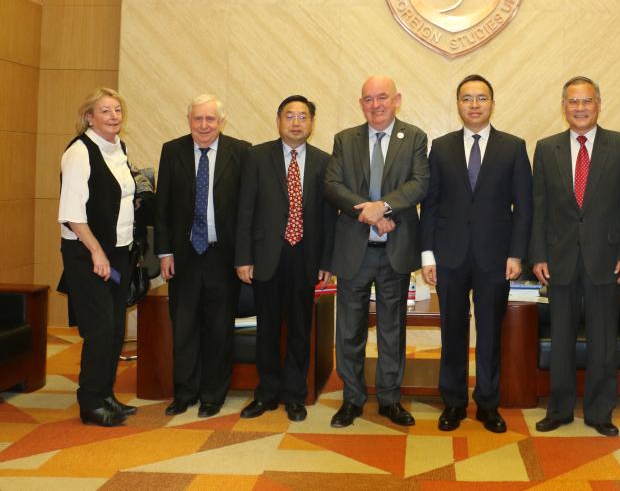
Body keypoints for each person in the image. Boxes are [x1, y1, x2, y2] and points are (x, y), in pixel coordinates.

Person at [528, 76, 620, 437]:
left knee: (603, 340)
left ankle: (599, 411)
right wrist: (538, 255)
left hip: (607, 260)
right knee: (561, 339)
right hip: (559, 260)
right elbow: (538, 207)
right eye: (573, 102)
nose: (580, 108)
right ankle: (559, 410)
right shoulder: (546, 148)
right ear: (564, 106)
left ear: (598, 104)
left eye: (587, 101)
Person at [420, 74, 532, 433]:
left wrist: (517, 254)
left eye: (481, 98)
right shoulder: (441, 147)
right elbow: (430, 205)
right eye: (467, 98)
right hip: (449, 256)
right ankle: (453, 403)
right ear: (458, 104)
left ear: (492, 104)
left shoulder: (513, 147)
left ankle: (487, 404)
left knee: (490, 334)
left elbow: (524, 207)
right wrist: (427, 256)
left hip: (495, 258)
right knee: (452, 332)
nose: (474, 104)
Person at [324, 75, 429, 428]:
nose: (376, 105)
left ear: (397, 99)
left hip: (394, 250)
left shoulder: (414, 137)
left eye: (382, 97)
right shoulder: (345, 139)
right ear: (361, 104)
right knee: (349, 330)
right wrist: (367, 213)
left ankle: (389, 400)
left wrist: (383, 207)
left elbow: (419, 184)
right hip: (354, 249)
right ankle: (351, 399)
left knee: (391, 330)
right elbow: (332, 185)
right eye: (368, 99)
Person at [235, 95, 335, 421]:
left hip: (306, 258)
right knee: (267, 329)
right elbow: (245, 209)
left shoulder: (324, 161)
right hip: (266, 257)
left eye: (303, 116)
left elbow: (329, 217)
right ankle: (266, 394)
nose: (296, 122)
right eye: (289, 116)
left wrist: (327, 262)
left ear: (312, 123)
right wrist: (243, 257)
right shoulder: (257, 156)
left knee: (299, 330)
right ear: (278, 120)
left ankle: (295, 395)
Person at [155, 94, 250, 418]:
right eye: (198, 118)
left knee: (218, 329)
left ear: (221, 122)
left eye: (211, 119)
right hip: (184, 256)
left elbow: (247, 210)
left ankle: (213, 395)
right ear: (189, 120)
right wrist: (164, 252)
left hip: (223, 256)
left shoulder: (241, 151)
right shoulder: (172, 151)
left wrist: (244, 256)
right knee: (183, 327)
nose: (204, 125)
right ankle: (184, 393)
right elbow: (162, 206)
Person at [58, 87, 138, 427]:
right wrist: (96, 252)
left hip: (118, 252)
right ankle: (90, 402)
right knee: (100, 329)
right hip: (89, 253)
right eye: (105, 111)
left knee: (116, 328)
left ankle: (106, 395)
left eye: (117, 110)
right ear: (89, 117)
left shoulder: (118, 148)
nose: (113, 116)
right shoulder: (79, 152)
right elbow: (72, 214)